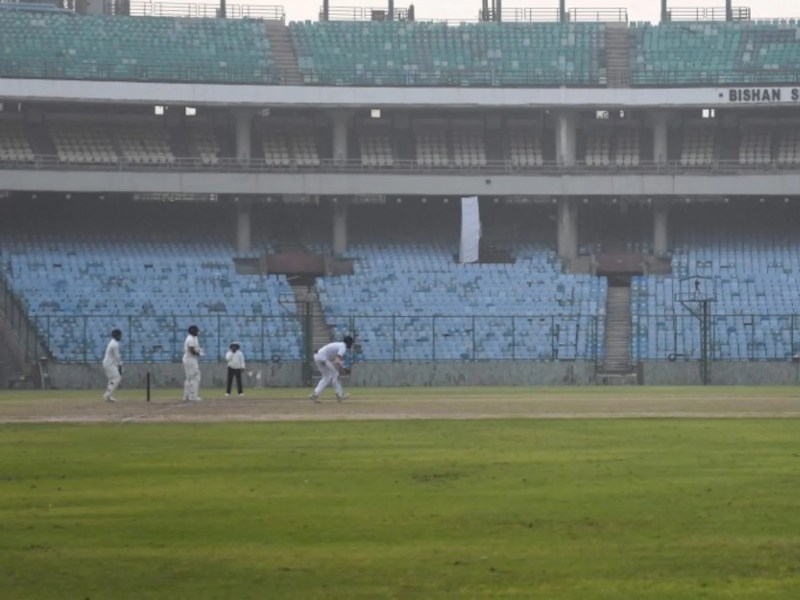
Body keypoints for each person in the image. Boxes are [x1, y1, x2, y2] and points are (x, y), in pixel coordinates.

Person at [309, 335, 354, 403]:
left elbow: (335, 359)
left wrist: (342, 366)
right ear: (349, 343)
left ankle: (315, 394)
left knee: (326, 377)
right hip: (323, 358)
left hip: (317, 356)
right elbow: (337, 361)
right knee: (335, 374)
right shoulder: (343, 347)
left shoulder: (339, 344)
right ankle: (340, 395)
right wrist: (344, 368)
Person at [183, 324, 203, 402]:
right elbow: (191, 349)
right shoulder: (191, 339)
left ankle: (187, 396)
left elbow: (195, 348)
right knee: (196, 376)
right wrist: (198, 354)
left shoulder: (194, 338)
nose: (197, 332)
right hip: (190, 359)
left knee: (189, 378)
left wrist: (198, 351)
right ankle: (192, 396)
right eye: (196, 331)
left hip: (190, 358)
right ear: (193, 331)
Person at [102, 329, 123, 403]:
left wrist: (118, 365)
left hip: (109, 363)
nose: (120, 337)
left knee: (111, 380)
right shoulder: (114, 344)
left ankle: (108, 396)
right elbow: (117, 356)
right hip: (109, 363)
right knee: (117, 378)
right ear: (116, 336)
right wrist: (120, 365)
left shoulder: (113, 342)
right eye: (119, 335)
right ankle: (107, 395)